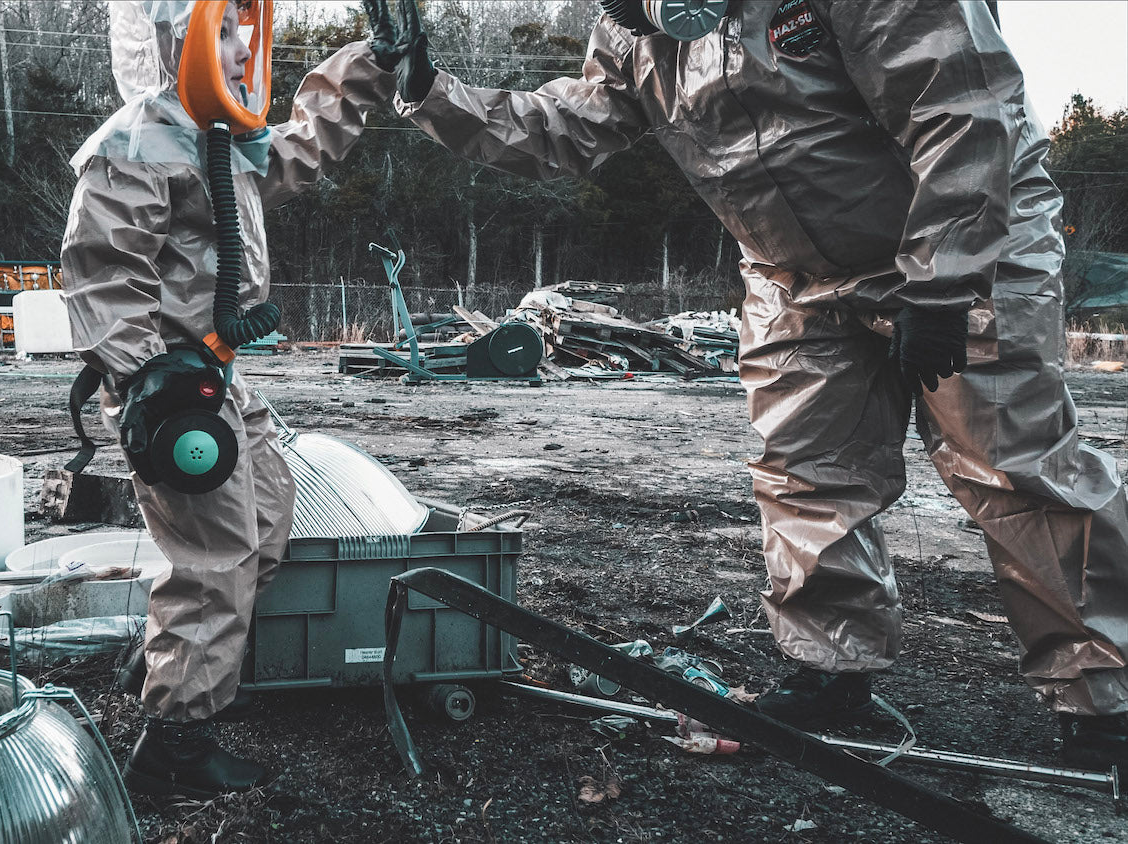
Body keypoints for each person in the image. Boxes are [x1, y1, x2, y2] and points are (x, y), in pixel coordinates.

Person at [378, 0, 1128, 769]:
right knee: (805, 469)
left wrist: (942, 281)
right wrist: (433, 91)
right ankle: (832, 669)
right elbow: (562, 130)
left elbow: (965, 110)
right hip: (793, 271)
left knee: (1015, 464)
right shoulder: (636, 32)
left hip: (966, 237)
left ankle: (1103, 691)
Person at [59, 1, 397, 796]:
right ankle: (174, 746)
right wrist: (149, 380)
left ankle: (175, 666)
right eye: (227, 33)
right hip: (173, 391)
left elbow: (304, 146)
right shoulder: (135, 143)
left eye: (248, 32)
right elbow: (103, 273)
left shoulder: (223, 138)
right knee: (215, 556)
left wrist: (368, 65)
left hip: (217, 378)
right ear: (180, 42)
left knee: (271, 516)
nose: (245, 49)